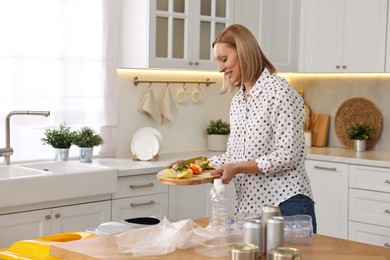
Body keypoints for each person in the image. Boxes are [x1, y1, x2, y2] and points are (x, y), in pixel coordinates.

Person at [209, 24, 317, 232]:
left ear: (243, 52)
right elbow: (234, 156)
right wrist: (194, 166)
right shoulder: (238, 101)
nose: (220, 68)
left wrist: (237, 168)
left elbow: (288, 155)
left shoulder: (279, 91)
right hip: (250, 209)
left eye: (224, 59)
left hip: (285, 206)